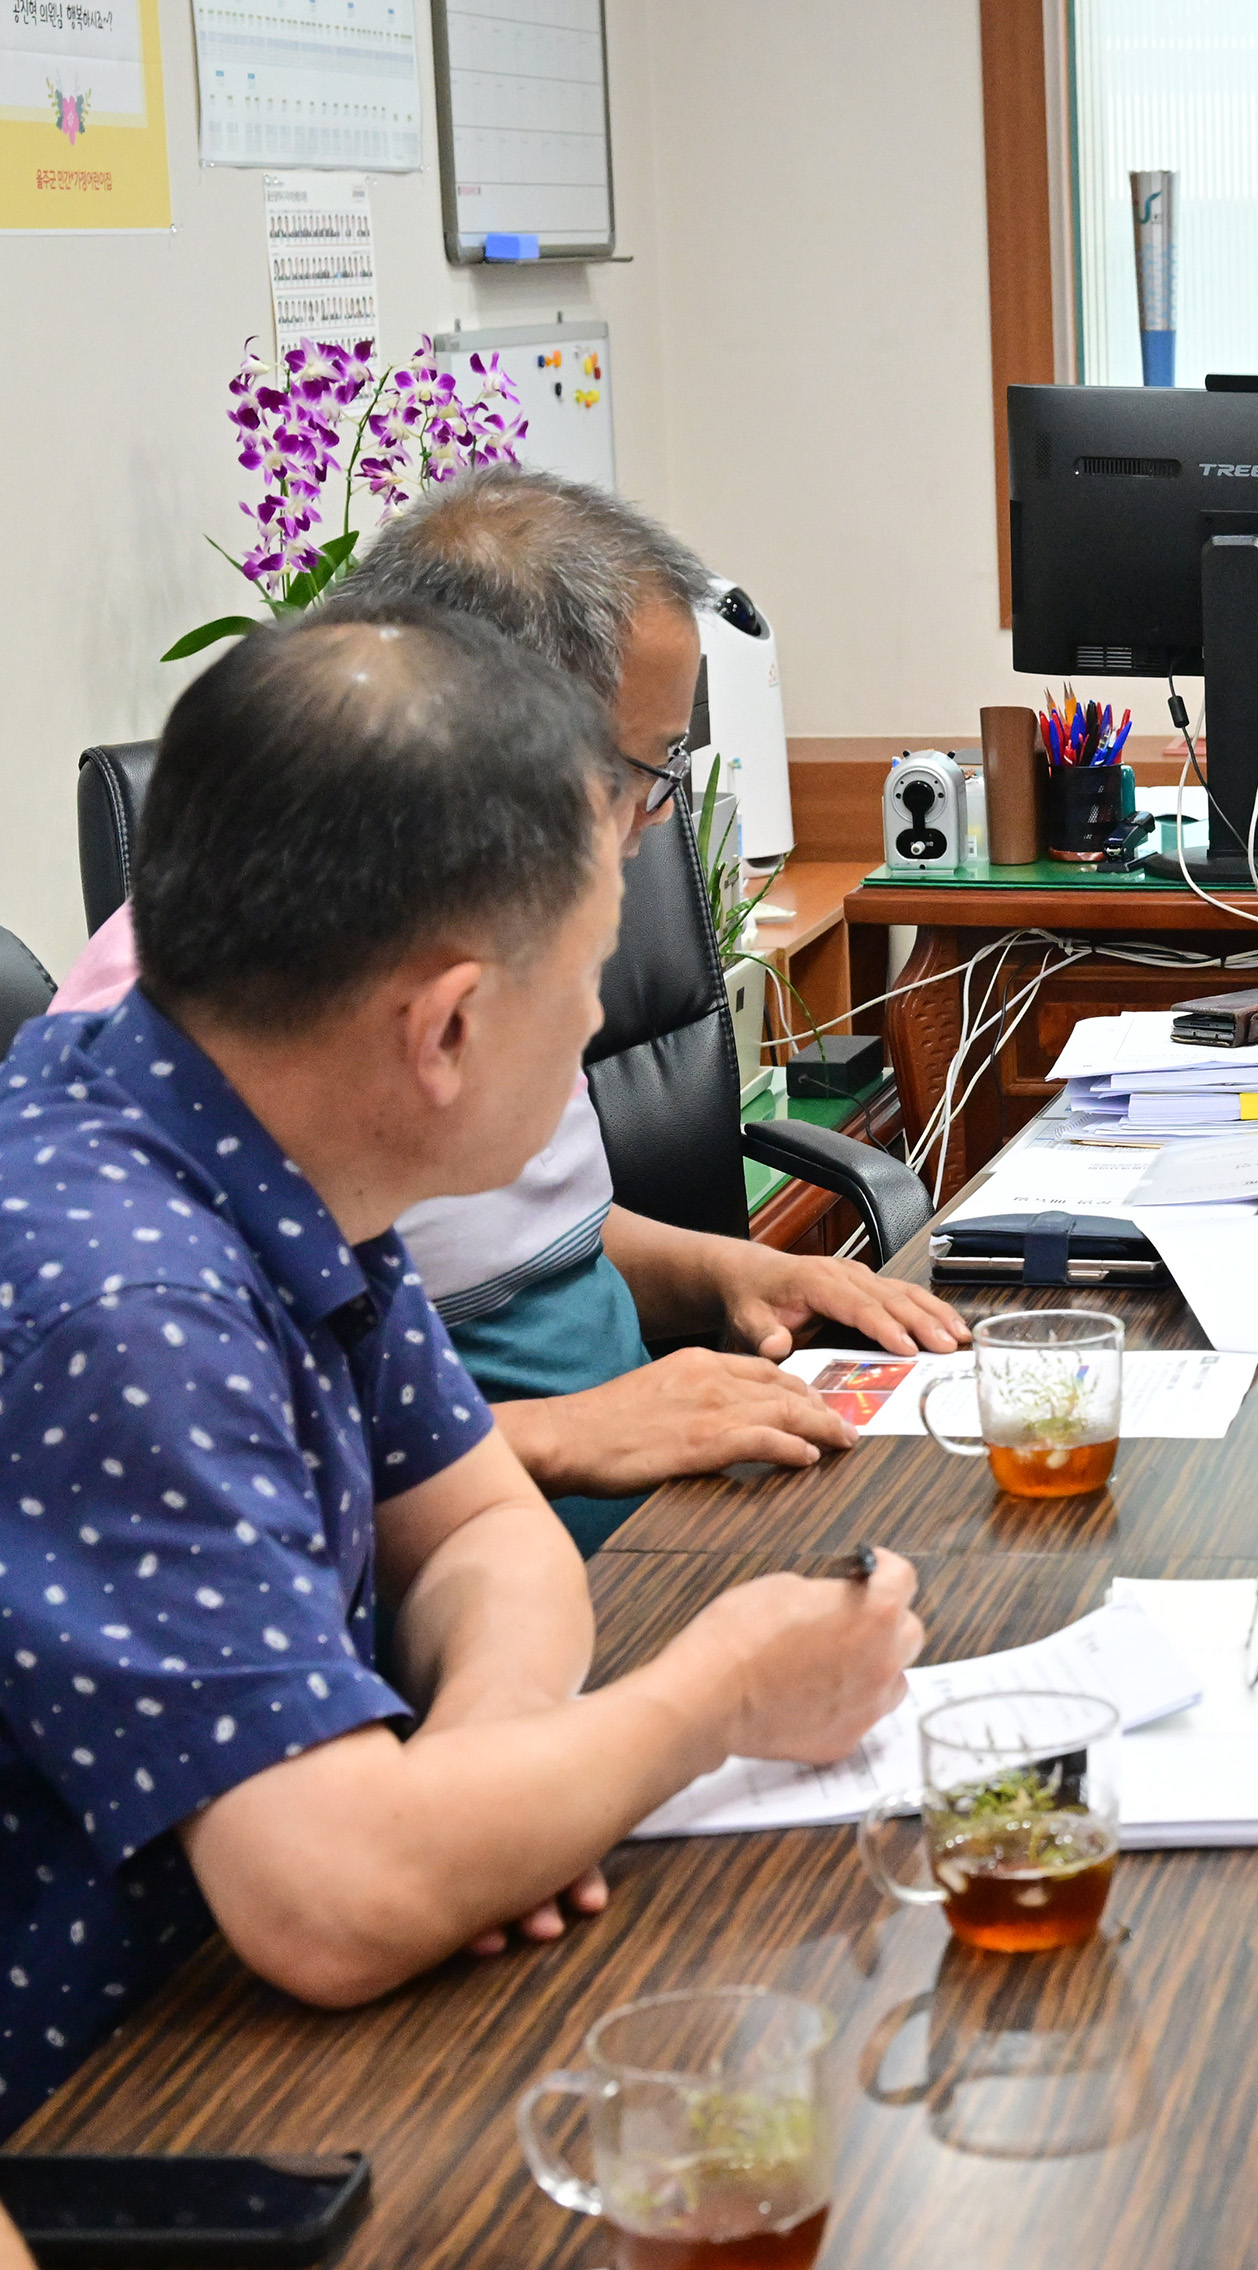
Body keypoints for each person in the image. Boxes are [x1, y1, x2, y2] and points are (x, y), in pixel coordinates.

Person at [0, 610, 924, 2128]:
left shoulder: (253, 1128)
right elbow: (334, 1896)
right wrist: (721, 1694)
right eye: (579, 986)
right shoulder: (130, 1305)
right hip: (132, 2116)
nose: (588, 1039)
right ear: (441, 1028)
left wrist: (486, 1786)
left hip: (279, 2029)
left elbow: (483, 1525)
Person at [53, 465, 962, 1548]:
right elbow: (262, 1481)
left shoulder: (474, 944)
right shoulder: (227, 1058)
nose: (657, 813)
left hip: (600, 1528)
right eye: (651, 762)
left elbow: (524, 1241)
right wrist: (561, 1438)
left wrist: (729, 1270)